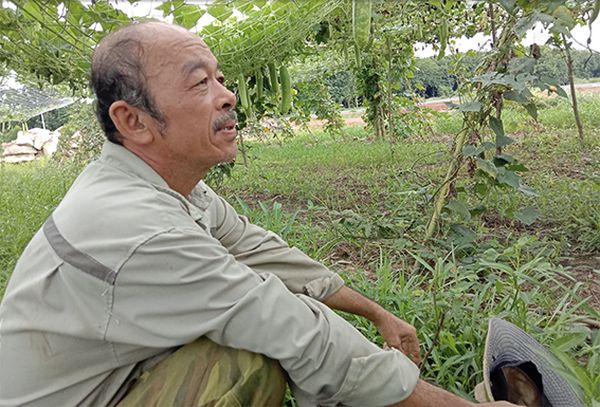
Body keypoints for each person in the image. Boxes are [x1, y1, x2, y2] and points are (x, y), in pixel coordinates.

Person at [0, 21, 517, 407]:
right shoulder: (138, 229)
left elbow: (261, 251)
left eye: (220, 79)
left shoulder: (166, 188)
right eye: (199, 84)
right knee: (243, 362)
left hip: (105, 382)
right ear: (133, 120)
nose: (227, 96)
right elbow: (291, 326)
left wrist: (376, 313)